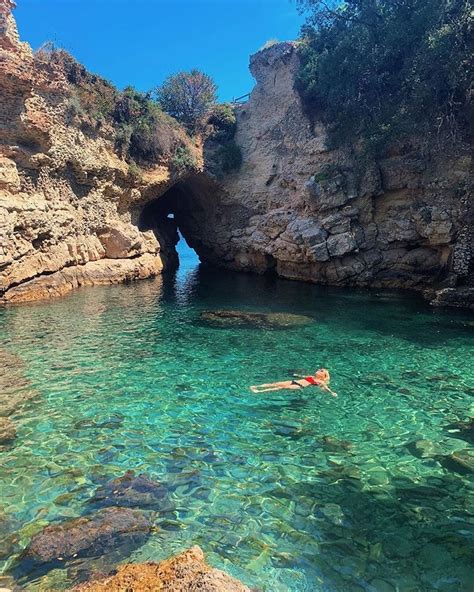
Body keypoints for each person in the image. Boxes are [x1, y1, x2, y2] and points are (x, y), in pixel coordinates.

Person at [250, 368, 337, 397]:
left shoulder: (319, 381)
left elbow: (326, 388)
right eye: (319, 369)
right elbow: (303, 377)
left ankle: (259, 391)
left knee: (282, 387)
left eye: (321, 371)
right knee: (276, 383)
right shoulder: (311, 377)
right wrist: (296, 375)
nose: (318, 370)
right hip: (294, 381)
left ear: (324, 375)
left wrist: (332, 393)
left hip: (299, 386)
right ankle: (257, 386)